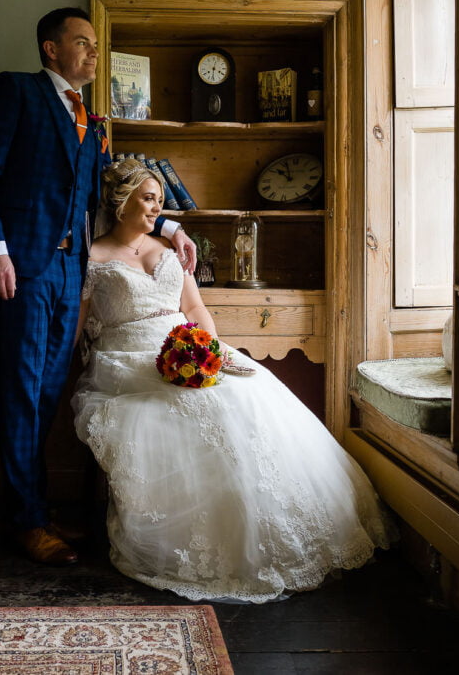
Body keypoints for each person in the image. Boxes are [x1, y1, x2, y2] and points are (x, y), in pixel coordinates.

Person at [71, 159, 393, 603]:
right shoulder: (92, 259)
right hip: (125, 358)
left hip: (187, 345)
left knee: (248, 395)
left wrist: (211, 351)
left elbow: (196, 310)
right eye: (149, 199)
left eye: (160, 202)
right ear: (120, 201)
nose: (156, 210)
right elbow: (77, 326)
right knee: (181, 412)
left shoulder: (170, 251)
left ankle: (271, 527)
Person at [0, 8, 195, 567]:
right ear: (50, 49)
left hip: (71, 274)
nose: (93, 53)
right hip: (20, 268)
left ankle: (37, 512)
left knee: (46, 393)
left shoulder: (93, 120)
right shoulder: (14, 91)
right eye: (83, 43)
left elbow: (112, 193)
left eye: (95, 45)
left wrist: (168, 225)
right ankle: (27, 522)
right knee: (21, 390)